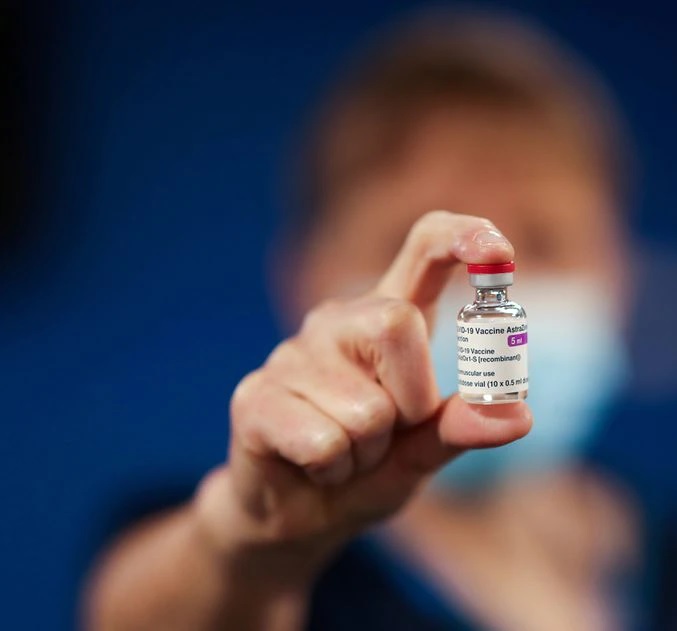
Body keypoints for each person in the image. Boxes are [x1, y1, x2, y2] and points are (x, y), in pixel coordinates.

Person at [85, 9, 643, 631]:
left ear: (622, 273)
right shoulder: (247, 544)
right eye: (408, 236)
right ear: (306, 277)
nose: (480, 278)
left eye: (542, 240)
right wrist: (253, 543)